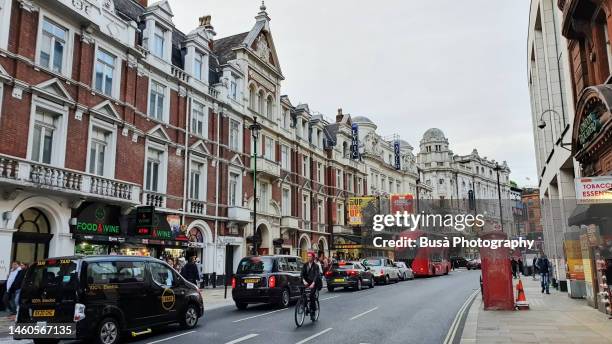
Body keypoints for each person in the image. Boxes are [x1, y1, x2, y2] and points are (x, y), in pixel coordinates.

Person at [301, 252, 321, 320]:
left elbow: (316, 275)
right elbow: (302, 274)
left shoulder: (316, 266)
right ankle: (304, 305)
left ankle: (313, 312)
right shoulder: (305, 265)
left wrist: (313, 283)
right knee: (303, 294)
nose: (308, 257)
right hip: (306, 282)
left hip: (314, 283)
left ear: (313, 257)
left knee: (311, 295)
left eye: (310, 256)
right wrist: (303, 280)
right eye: (308, 256)